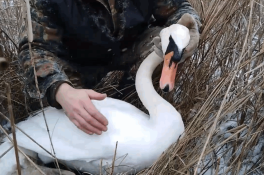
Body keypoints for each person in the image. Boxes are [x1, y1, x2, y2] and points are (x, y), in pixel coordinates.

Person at [18, 0, 201, 135]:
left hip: (130, 47)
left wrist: (187, 27)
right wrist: (60, 90)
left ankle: (133, 102)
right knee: (56, 109)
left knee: (165, 47)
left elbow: (179, 9)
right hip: (78, 61)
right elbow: (34, 49)